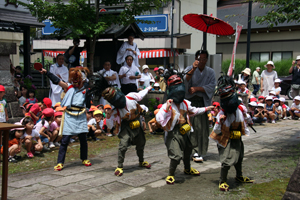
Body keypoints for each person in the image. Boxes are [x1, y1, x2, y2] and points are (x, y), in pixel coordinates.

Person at [155, 75, 215, 184]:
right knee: (176, 156)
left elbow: (194, 111)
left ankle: (187, 169)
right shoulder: (167, 105)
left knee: (188, 151)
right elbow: (159, 119)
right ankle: (171, 174)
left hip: (186, 131)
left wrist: (207, 108)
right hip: (173, 133)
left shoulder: (185, 103)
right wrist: (167, 110)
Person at [40, 66, 92, 171]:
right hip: (69, 114)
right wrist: (47, 73)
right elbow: (57, 81)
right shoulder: (69, 87)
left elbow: (88, 104)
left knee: (83, 138)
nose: (76, 82)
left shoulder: (86, 90)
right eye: (74, 80)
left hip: (81, 114)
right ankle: (60, 162)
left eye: (78, 79)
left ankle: (84, 158)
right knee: (65, 140)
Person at [209, 75, 253, 192]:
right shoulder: (222, 113)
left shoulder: (241, 108)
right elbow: (217, 130)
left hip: (236, 136)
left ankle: (239, 176)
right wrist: (220, 121)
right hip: (225, 139)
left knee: (239, 156)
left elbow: (247, 117)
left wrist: (249, 122)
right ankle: (222, 180)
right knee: (227, 160)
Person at [102, 86, 152, 176]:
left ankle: (141, 161)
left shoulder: (131, 96)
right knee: (123, 145)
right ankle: (120, 166)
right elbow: (109, 126)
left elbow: (141, 95)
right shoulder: (115, 110)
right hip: (126, 126)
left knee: (141, 143)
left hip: (137, 123)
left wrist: (149, 88)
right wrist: (108, 117)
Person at [183, 50, 216, 162]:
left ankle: (201, 151)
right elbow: (185, 81)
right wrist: (193, 69)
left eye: (204, 59)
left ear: (207, 60)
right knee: (192, 128)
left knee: (203, 129)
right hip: (191, 102)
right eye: (199, 59)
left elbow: (212, 86)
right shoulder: (189, 68)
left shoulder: (210, 72)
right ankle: (192, 150)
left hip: (203, 102)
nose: (201, 61)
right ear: (196, 59)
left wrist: (198, 88)